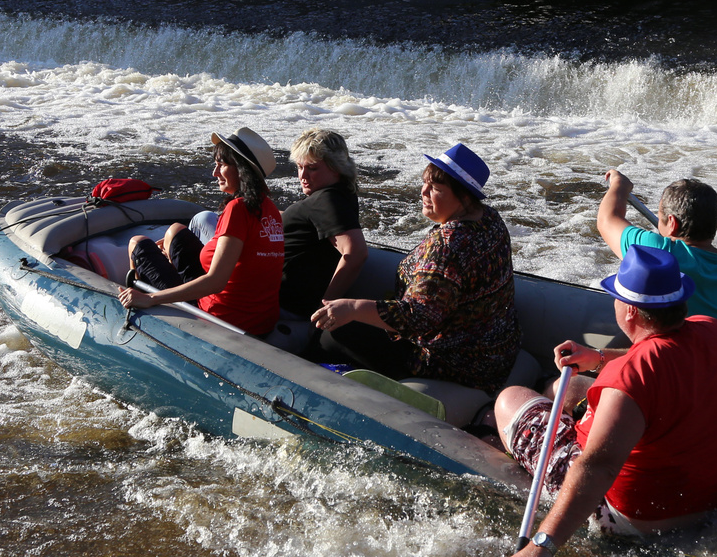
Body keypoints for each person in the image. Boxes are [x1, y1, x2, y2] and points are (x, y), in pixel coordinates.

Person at [494, 245, 717, 557]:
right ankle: (564, 409)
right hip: (701, 503)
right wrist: (597, 358)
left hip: (626, 518)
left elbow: (597, 467)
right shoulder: (712, 330)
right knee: (575, 385)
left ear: (628, 311)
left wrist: (542, 544)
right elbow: (655, 351)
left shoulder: (629, 378)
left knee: (509, 400)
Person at [597, 171, 717, 446]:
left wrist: (620, 185)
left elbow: (607, 220)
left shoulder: (659, 252)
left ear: (671, 224)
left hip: (701, 428)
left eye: (660, 217)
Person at [311, 142, 520, 393]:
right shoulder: (490, 219)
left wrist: (352, 307)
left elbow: (418, 318)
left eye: (435, 188)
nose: (423, 192)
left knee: (333, 335)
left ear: (464, 196)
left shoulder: (447, 246)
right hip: (494, 351)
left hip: (453, 362)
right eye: (425, 183)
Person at [117, 127, 285, 336]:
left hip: (220, 317)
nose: (214, 173)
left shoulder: (237, 209)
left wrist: (151, 298)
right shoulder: (269, 209)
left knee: (138, 243)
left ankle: (135, 310)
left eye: (221, 165)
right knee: (177, 231)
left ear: (242, 170)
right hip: (259, 320)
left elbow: (215, 281)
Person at [280, 128, 367, 318]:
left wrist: (324, 308)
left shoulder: (327, 200)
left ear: (336, 168)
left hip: (287, 308)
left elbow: (356, 253)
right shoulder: (342, 192)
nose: (302, 176)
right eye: (299, 166)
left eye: (312, 168)